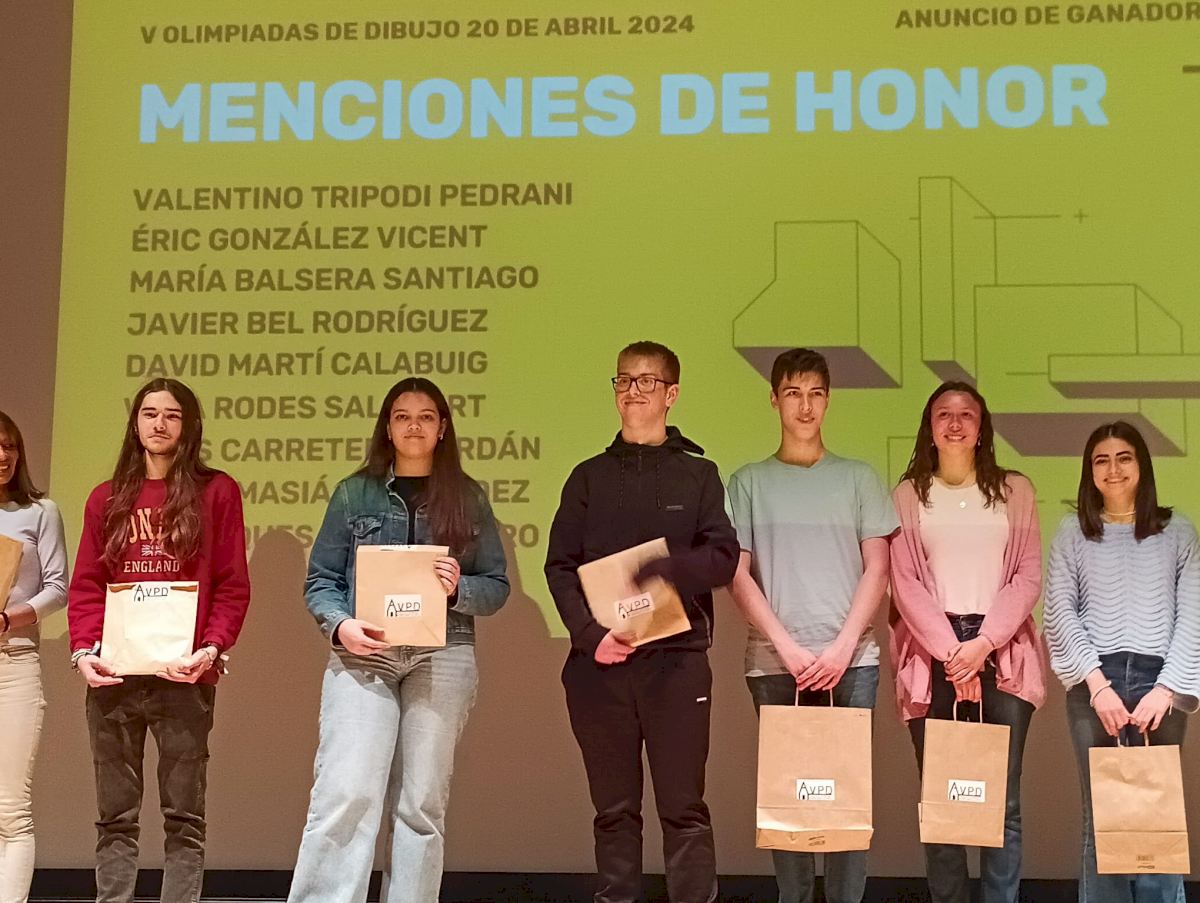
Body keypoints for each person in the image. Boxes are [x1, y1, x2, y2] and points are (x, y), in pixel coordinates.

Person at [288, 377, 509, 903]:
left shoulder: (468, 497)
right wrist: (341, 625)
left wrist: (458, 589)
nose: (414, 426)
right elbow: (321, 580)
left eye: (426, 416)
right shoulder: (354, 493)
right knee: (346, 793)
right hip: (365, 655)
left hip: (443, 654)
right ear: (387, 427)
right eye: (403, 416)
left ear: (442, 428)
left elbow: (496, 587)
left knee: (421, 804)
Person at [545, 340, 739, 903]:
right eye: (624, 380)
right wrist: (591, 638)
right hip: (601, 667)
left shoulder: (698, 476)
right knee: (614, 811)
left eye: (646, 381)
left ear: (671, 394)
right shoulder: (587, 478)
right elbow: (559, 566)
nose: (633, 391)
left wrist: (667, 567)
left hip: (676, 666)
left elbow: (723, 559)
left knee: (684, 808)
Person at [68, 378, 250, 903]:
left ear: (189, 425)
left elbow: (232, 584)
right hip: (115, 678)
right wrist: (83, 652)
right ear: (135, 423)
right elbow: (87, 585)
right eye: (149, 413)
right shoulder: (106, 498)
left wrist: (210, 649)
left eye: (172, 414)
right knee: (115, 820)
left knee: (185, 820)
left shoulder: (217, 492)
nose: (160, 423)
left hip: (184, 677)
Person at [725, 348, 897, 903]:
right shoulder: (748, 482)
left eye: (816, 394)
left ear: (828, 401)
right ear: (774, 400)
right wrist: (789, 648)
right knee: (790, 800)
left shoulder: (859, 478)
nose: (805, 406)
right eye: (793, 394)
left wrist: (842, 648)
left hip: (854, 662)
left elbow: (879, 568)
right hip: (775, 663)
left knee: (848, 800)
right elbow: (736, 574)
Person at [888, 381, 1044, 903]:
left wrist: (983, 645)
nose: (955, 424)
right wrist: (953, 654)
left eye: (966, 415)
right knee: (944, 800)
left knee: (1004, 803)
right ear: (929, 428)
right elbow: (905, 583)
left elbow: (1027, 576)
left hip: (1002, 651)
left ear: (982, 429)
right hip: (933, 653)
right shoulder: (908, 496)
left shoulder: (1016, 491)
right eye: (943, 414)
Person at [1044, 420, 1200, 903]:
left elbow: (1193, 614)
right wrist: (1097, 687)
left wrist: (1166, 690)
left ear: (1142, 465)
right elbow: (1060, 611)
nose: (1113, 469)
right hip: (1096, 684)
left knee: (1157, 814)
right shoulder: (1072, 532)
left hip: (1160, 684)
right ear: (1089, 471)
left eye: (1123, 457)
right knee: (1103, 819)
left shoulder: (1178, 532)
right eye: (1101, 460)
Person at [0, 411, 67, 903]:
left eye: (10, 446)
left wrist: (8, 619)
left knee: (9, 810)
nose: (3, 456)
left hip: (13, 663)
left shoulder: (40, 511)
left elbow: (58, 588)